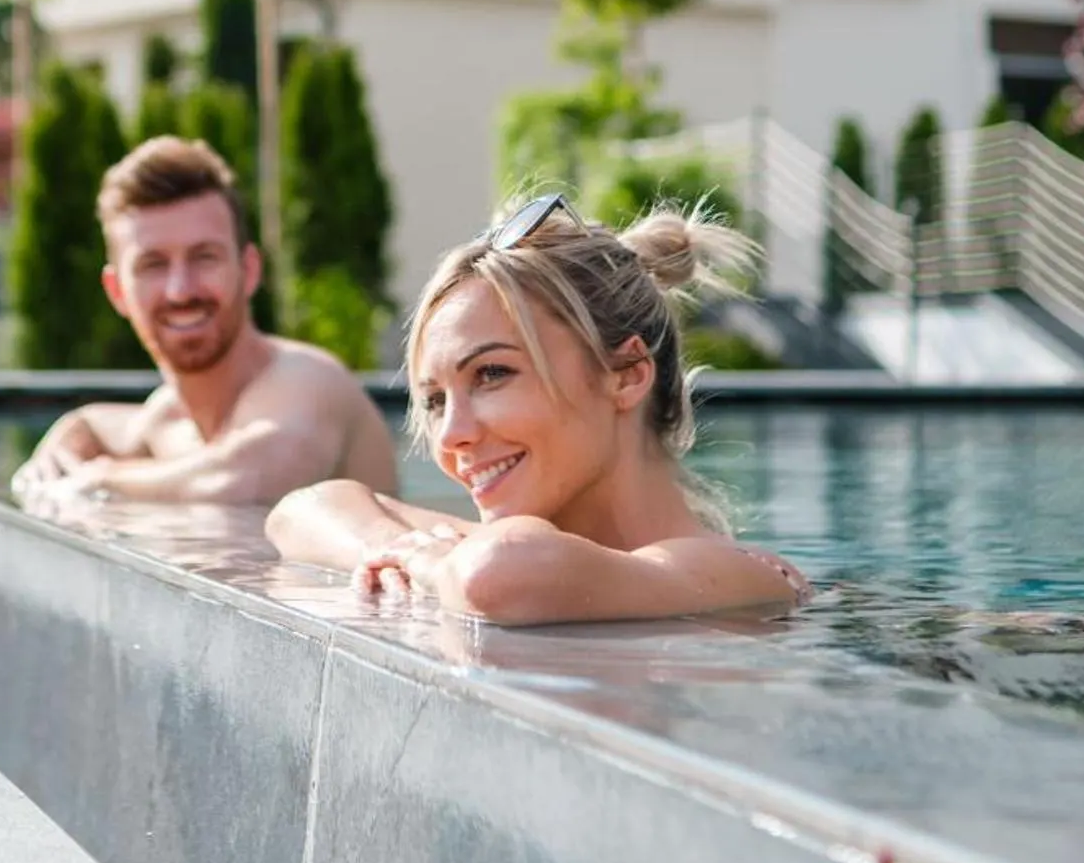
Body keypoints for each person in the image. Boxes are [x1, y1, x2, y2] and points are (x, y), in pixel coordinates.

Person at [267, 192, 806, 626]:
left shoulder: (737, 575)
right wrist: (391, 547)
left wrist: (429, 561)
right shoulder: (501, 548)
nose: (450, 435)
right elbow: (303, 509)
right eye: (435, 400)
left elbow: (492, 578)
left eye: (492, 374)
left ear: (626, 374)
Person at [12, 135, 398, 507]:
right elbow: (101, 423)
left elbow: (248, 479)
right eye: (153, 265)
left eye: (204, 257)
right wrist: (71, 426)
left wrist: (100, 479)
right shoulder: (164, 421)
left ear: (249, 270)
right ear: (117, 292)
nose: (180, 290)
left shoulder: (310, 380)